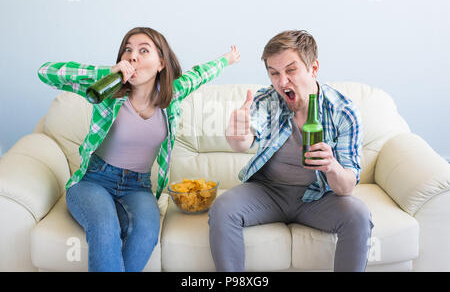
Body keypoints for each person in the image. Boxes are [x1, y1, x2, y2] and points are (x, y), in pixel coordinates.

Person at [37, 27, 240, 272]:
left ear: (161, 64)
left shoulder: (172, 95)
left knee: (146, 233)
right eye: (128, 50)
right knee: (104, 226)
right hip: (93, 181)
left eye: (144, 50)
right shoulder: (108, 92)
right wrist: (107, 73)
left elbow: (200, 74)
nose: (133, 56)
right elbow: (46, 72)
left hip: (138, 187)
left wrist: (228, 59)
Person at [208, 30, 373, 272]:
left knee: (358, 215)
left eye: (290, 70)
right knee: (223, 209)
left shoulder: (343, 112)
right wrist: (237, 133)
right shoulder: (266, 100)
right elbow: (244, 140)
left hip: (319, 197)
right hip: (268, 192)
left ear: (313, 68)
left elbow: (346, 187)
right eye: (274, 73)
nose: (282, 81)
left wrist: (331, 165)